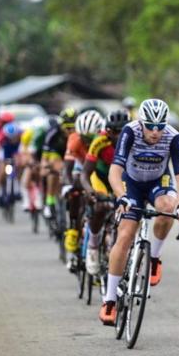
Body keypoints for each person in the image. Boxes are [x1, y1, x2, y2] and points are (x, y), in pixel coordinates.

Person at [99, 99, 179, 325]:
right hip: (132, 183)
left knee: (167, 208)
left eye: (160, 126)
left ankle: (154, 257)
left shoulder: (173, 136)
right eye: (150, 126)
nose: (155, 132)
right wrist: (122, 196)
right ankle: (109, 299)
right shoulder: (130, 132)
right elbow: (115, 172)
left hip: (159, 180)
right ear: (141, 122)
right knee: (126, 234)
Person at [80, 109, 129, 275]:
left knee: (127, 210)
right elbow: (85, 173)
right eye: (115, 132)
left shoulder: (134, 142)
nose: (119, 136)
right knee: (100, 207)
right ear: (108, 131)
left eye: (123, 131)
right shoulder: (99, 141)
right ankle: (93, 246)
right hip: (100, 178)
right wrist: (90, 192)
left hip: (121, 179)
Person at [62, 109, 105, 272]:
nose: (87, 142)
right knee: (74, 191)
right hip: (81, 167)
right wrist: (69, 185)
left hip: (98, 169)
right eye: (84, 138)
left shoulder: (103, 139)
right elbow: (67, 169)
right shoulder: (74, 140)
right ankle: (73, 228)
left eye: (90, 138)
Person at [41, 108, 77, 220]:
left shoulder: (79, 135)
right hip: (56, 153)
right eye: (67, 127)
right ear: (61, 125)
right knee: (52, 169)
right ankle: (49, 201)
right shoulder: (53, 133)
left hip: (72, 154)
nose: (70, 131)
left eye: (73, 128)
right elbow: (45, 157)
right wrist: (45, 168)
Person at [0, 121, 23, 206]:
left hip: (16, 151)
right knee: (3, 171)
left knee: (19, 166)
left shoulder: (21, 134)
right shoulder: (1, 138)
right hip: (5, 151)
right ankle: (0, 193)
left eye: (14, 137)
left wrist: (19, 160)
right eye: (10, 138)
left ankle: (17, 190)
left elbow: (22, 151)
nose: (12, 139)